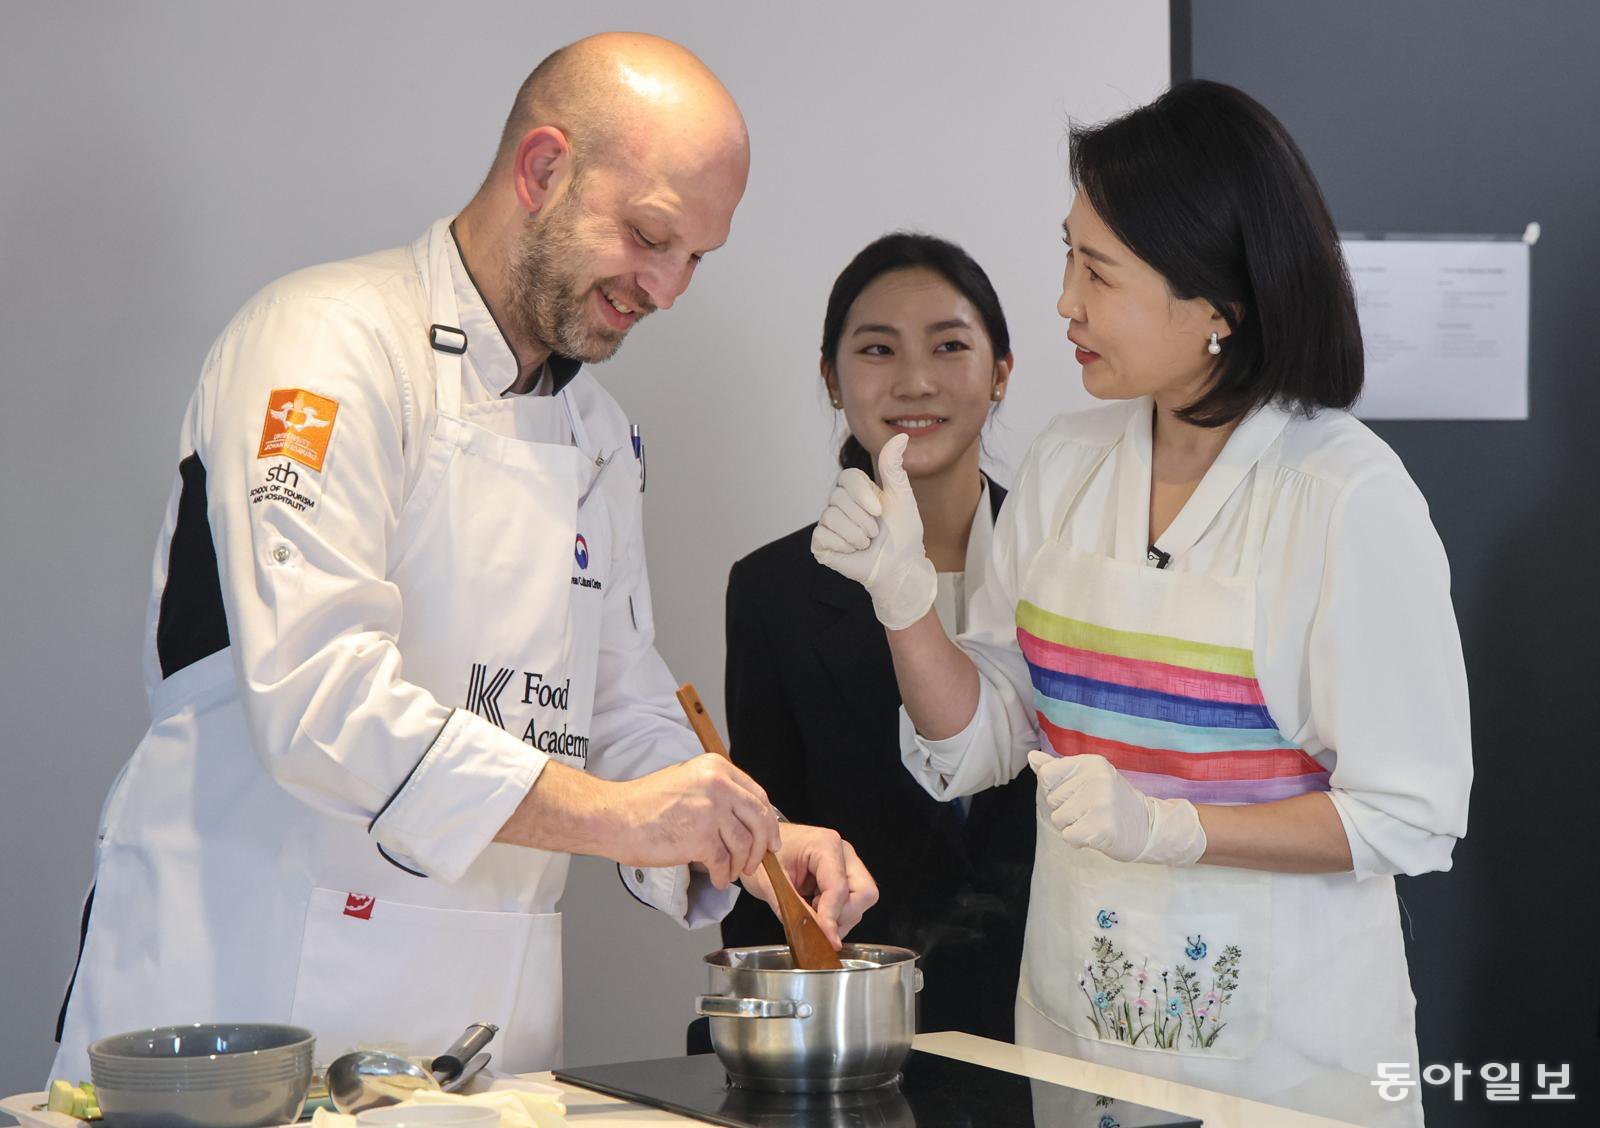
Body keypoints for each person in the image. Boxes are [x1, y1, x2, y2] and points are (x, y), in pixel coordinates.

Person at [52, 32, 876, 1082]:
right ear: (541, 170)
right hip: (247, 992)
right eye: (649, 235)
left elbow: (618, 710)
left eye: (695, 259)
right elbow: (321, 701)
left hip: (483, 1024)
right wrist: (623, 819)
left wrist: (753, 844)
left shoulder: (601, 438)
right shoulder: (326, 343)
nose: (666, 289)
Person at [811, 81, 1471, 1126]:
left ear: (1217, 303)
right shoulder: (1071, 466)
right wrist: (904, 606)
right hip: (1082, 1036)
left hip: (1282, 1069)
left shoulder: (1341, 498)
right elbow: (982, 739)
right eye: (1067, 256)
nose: (1065, 301)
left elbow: (1408, 815)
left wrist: (1175, 827)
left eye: (1098, 271)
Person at [717, 234, 1036, 1040]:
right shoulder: (774, 591)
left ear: (1002, 370)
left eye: (950, 345)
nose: (916, 380)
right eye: (877, 349)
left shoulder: (1070, 566)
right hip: (864, 1038)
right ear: (831, 377)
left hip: (1062, 1023)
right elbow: (766, 854)